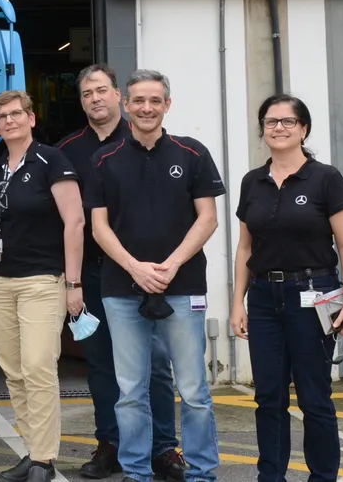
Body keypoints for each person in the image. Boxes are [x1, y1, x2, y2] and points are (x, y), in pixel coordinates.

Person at [86, 69, 224, 482]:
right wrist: (135, 267)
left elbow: (208, 219)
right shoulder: (102, 160)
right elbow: (98, 227)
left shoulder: (192, 153)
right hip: (121, 290)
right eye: (139, 101)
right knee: (130, 393)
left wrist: (171, 265)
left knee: (195, 392)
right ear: (125, 105)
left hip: (182, 288)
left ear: (167, 105)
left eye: (155, 100)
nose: (147, 108)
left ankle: (202, 474)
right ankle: (136, 473)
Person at [54, 64, 186, 480]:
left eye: (102, 90)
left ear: (119, 98)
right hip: (95, 275)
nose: (95, 98)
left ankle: (164, 448)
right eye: (87, 92)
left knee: (156, 365)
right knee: (101, 366)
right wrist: (68, 280)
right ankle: (110, 444)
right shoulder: (67, 150)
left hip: (148, 277)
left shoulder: (148, 141)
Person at [230, 94, 343, 481]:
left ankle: (323, 477)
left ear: (304, 129)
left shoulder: (326, 178)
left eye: (288, 122)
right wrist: (238, 302)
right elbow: (245, 247)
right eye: (271, 122)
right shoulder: (251, 181)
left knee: (314, 397)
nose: (279, 128)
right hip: (264, 298)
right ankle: (270, 476)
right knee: (268, 397)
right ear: (263, 130)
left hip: (314, 293)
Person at [0, 90, 84, 482]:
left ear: (32, 118)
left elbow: (75, 223)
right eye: (2, 117)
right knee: (14, 372)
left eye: (16, 114)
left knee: (37, 366)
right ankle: (31, 451)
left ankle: (44, 460)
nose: (9, 121)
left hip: (41, 280)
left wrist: (74, 283)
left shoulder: (53, 161)